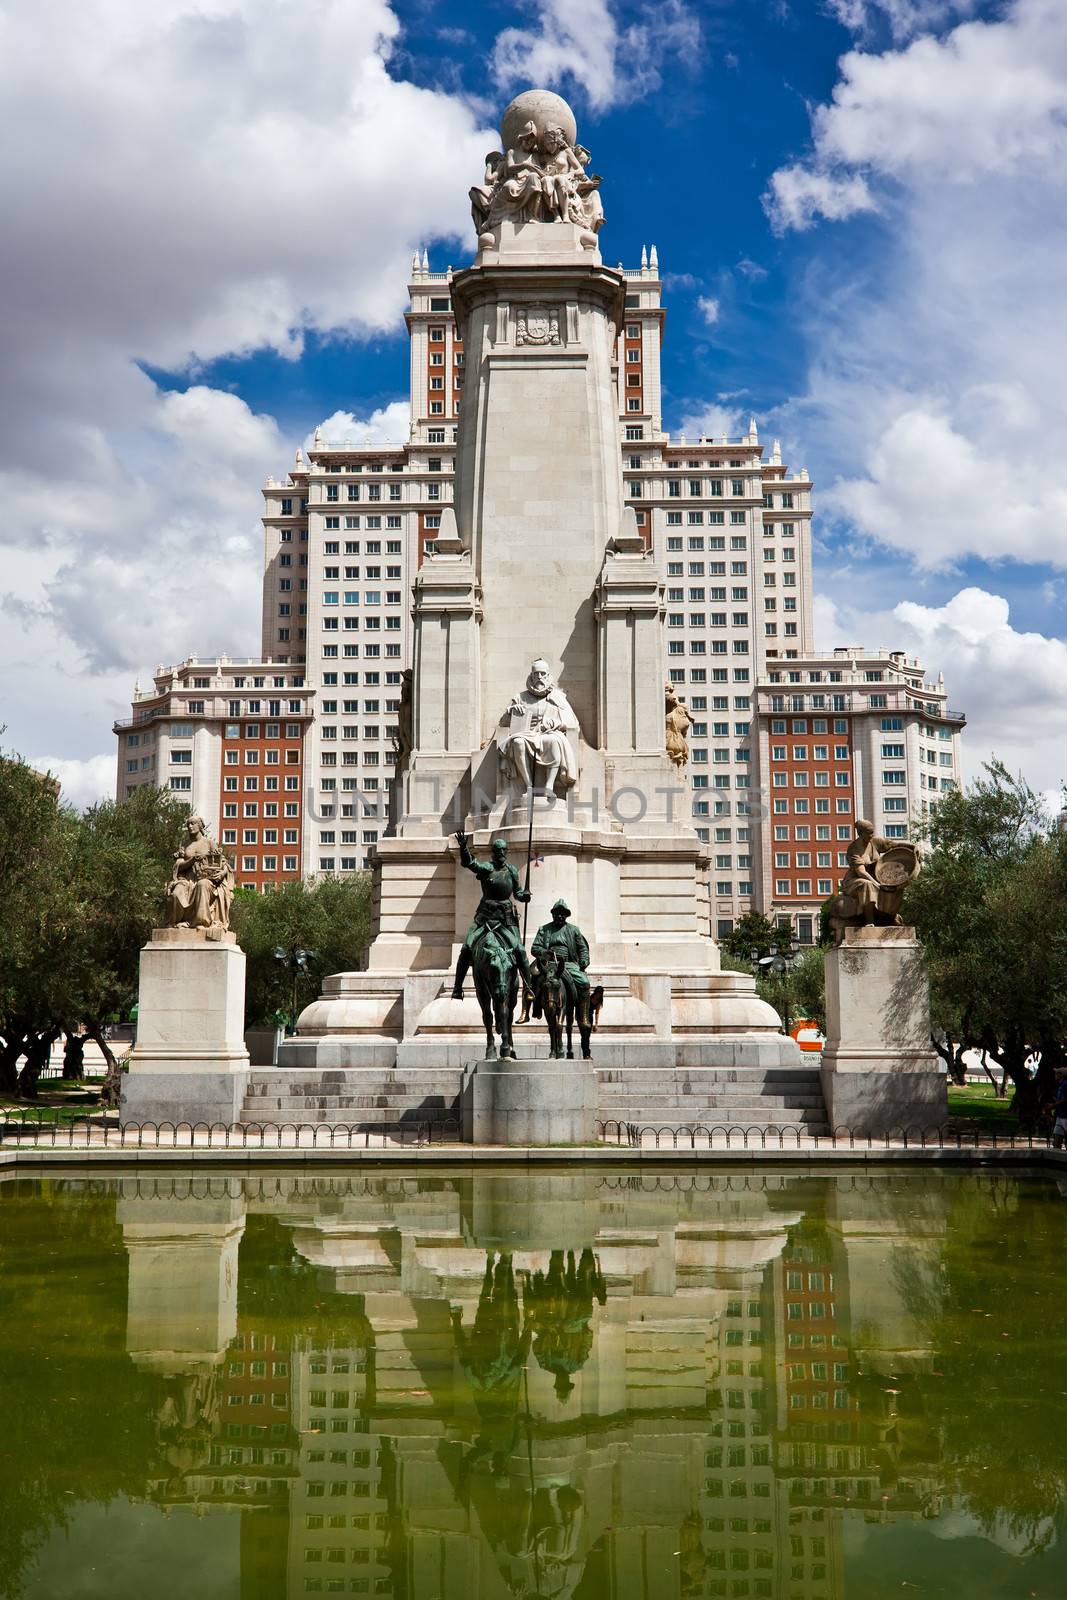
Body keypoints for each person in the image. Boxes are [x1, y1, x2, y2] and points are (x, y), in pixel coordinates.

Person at [452, 833, 534, 999]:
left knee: (519, 950)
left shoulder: (511, 870)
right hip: (485, 916)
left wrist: (523, 896)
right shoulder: (487, 868)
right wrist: (463, 848)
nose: (501, 853)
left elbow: (517, 892)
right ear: (493, 852)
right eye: (498, 850)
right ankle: (457, 987)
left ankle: (528, 987)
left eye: (504, 850)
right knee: (467, 947)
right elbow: (470, 863)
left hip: (506, 917)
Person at [499, 658, 579, 797]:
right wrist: (511, 711)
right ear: (531, 675)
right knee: (517, 742)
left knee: (554, 741)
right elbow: (504, 724)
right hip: (526, 734)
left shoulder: (558, 697)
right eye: (536, 674)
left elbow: (572, 724)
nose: (539, 678)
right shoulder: (520, 697)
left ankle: (549, 786)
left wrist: (555, 724)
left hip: (548, 733)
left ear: (548, 676)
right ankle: (529, 785)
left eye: (542, 674)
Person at [164, 814, 234, 931]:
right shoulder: (184, 844)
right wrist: (192, 860)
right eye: (188, 824)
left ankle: (201, 922)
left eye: (192, 823)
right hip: (187, 879)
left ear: (200, 826)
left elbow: (223, 863)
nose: (190, 826)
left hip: (206, 878)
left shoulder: (209, 843)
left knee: (202, 885)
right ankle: (175, 922)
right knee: (176, 893)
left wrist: (221, 874)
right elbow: (178, 866)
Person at [531, 900, 591, 1017]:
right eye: (557, 913)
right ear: (553, 914)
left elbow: (583, 949)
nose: (559, 916)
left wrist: (584, 961)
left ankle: (583, 1016)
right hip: (548, 963)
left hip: (568, 964)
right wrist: (544, 952)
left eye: (562, 913)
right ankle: (534, 1008)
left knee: (584, 983)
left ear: (566, 915)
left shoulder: (574, 930)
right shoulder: (544, 929)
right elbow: (535, 948)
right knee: (532, 979)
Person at [1053, 1070, 1067, 1149]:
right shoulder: (1060, 1085)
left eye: (1056, 1073)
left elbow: (1065, 1099)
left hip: (1065, 1116)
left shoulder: (1065, 1084)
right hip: (1060, 1116)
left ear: (1061, 1075)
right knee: (1056, 1141)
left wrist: (1053, 1105)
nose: (1055, 1075)